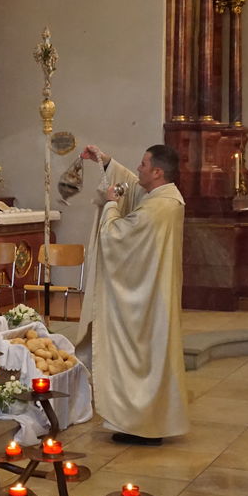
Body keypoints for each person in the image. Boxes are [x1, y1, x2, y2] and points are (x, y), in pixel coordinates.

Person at [79, 143, 188, 445]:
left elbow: (117, 236)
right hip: (154, 294)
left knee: (144, 358)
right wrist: (106, 162)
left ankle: (145, 425)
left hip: (148, 300)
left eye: (143, 164)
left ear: (158, 172)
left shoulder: (159, 207)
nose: (138, 168)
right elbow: (133, 186)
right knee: (149, 358)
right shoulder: (163, 196)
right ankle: (143, 421)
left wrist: (111, 205)